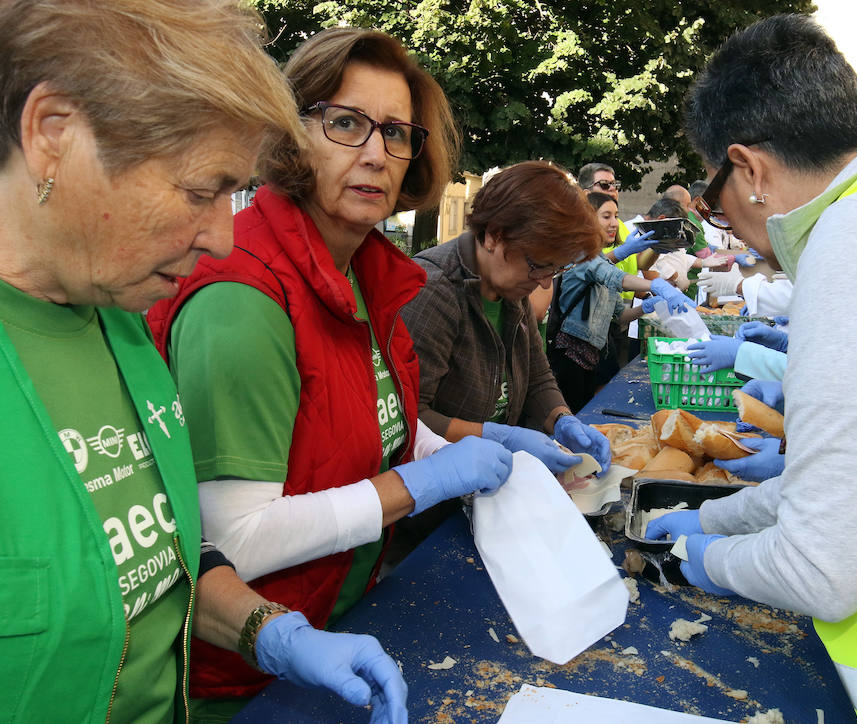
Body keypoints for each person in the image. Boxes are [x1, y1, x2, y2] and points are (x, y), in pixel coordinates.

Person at [0, 2, 408, 723]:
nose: (222, 237)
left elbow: (163, 560)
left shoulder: (118, 323)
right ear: (52, 135)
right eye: (200, 190)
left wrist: (266, 629)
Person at [148, 27, 514, 717]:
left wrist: (458, 449)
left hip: (340, 625)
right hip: (241, 680)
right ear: (292, 133)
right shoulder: (244, 300)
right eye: (346, 123)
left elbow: (375, 429)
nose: (376, 153)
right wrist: (417, 484)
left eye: (398, 134)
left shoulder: (366, 275)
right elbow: (231, 541)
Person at [646, 14, 857, 723]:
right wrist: (720, 517)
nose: (723, 219)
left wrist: (705, 561)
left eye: (715, 197)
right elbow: (847, 480)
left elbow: (826, 570)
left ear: (750, 169)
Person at [401, 161, 614, 471]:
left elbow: (538, 377)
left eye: (556, 269)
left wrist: (562, 418)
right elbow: (412, 416)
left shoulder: (511, 289)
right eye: (540, 265)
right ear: (494, 236)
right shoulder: (432, 291)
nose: (544, 283)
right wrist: (500, 436)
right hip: (439, 492)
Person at [543, 189, 695, 412]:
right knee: (572, 417)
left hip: (592, 355)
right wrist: (656, 284)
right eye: (606, 216)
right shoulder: (579, 254)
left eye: (616, 215)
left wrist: (646, 307)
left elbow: (619, 317)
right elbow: (612, 276)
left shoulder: (601, 259)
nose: (614, 223)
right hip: (568, 358)